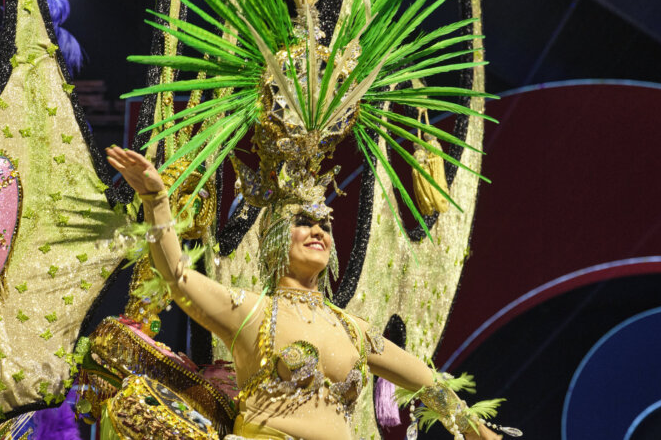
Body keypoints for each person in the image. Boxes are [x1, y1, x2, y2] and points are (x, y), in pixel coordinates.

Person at [106, 145, 504, 440]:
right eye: (304, 222)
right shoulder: (250, 311)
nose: (318, 231)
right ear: (278, 237)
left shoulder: (353, 329)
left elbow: (428, 382)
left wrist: (472, 428)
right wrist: (156, 200)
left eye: (325, 225)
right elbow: (178, 278)